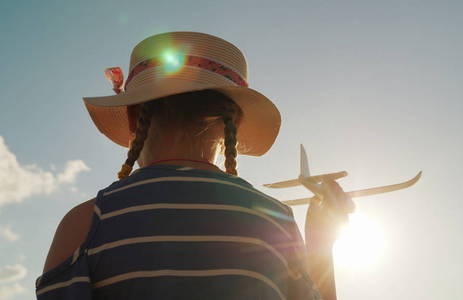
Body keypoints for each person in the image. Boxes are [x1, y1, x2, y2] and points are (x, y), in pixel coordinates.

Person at [36, 32, 350, 300]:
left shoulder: (83, 223)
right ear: (235, 124)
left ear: (132, 117)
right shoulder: (276, 220)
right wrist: (321, 241)